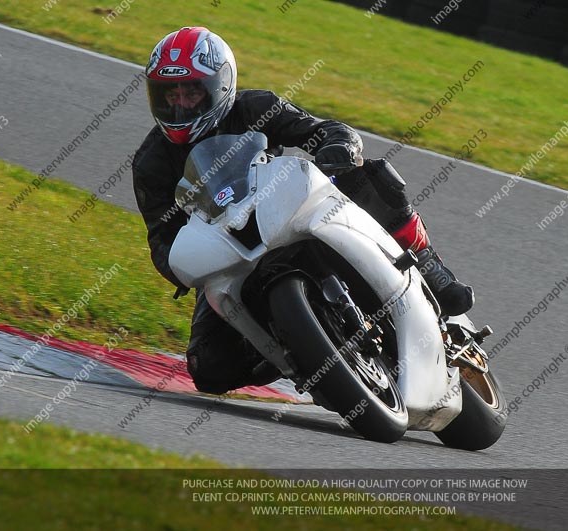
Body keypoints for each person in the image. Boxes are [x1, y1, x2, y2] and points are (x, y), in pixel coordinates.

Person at [133, 27, 474, 394]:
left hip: (283, 212)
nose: (181, 104)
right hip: (225, 250)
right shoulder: (151, 163)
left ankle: (427, 262)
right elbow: (160, 236)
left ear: (219, 86)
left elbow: (324, 130)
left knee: (365, 175)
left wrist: (338, 146)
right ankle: (297, 352)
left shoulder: (255, 107)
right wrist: (183, 266)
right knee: (209, 369)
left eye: (192, 92)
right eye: (171, 94)